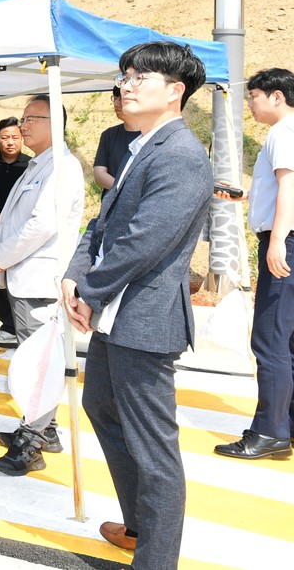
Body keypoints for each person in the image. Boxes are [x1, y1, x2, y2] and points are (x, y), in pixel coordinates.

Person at [63, 41, 211, 567]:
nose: (125, 85)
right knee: (100, 405)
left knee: (155, 452)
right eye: (125, 75)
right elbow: (100, 225)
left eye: (139, 78)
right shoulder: (141, 147)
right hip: (114, 313)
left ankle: (156, 557)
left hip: (144, 318)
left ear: (175, 91)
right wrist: (74, 277)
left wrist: (89, 290)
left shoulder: (183, 156)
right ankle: (138, 525)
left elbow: (145, 239)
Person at [0, 96, 84, 475]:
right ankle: (45, 428)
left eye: (31, 119)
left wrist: (0, 256)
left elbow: (41, 225)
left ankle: (34, 442)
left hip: (39, 278)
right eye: (23, 119)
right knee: (34, 358)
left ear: (55, 121)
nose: (23, 127)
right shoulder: (40, 165)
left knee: (41, 362)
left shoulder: (62, 168)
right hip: (24, 275)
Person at [214, 68, 294, 462]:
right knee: (287, 341)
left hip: (285, 243)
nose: (250, 103)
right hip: (287, 239)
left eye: (255, 95)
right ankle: (285, 426)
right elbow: (279, 189)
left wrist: (277, 240)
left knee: (270, 339)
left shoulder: (284, 132)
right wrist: (245, 197)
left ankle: (269, 433)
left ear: (277, 97)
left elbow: (290, 187)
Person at [0, 117, 31, 346]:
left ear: (22, 138)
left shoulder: (31, 166)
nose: (10, 142)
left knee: (18, 278)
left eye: (14, 137)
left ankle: (19, 325)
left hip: (22, 233)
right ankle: (7, 325)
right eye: (5, 137)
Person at [93, 86, 140, 196]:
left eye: (121, 98)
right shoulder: (109, 135)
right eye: (115, 98)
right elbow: (99, 174)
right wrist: (124, 190)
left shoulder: (151, 135)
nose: (116, 104)